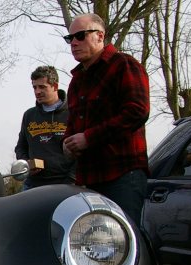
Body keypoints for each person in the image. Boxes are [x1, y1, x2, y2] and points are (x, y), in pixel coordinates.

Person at [62, 13, 150, 224]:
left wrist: (89, 138)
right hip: (88, 179)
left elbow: (137, 111)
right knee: (96, 247)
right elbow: (74, 125)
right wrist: (67, 143)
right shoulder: (76, 81)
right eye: (70, 38)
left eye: (80, 36)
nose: (74, 42)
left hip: (122, 175)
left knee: (126, 245)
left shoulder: (124, 65)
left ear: (100, 36)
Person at [14, 65, 75, 190]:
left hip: (66, 184)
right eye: (34, 87)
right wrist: (26, 164)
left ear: (55, 87)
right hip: (32, 185)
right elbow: (21, 147)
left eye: (42, 87)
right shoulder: (29, 115)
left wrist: (71, 179)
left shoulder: (72, 112)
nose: (37, 91)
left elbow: (82, 152)